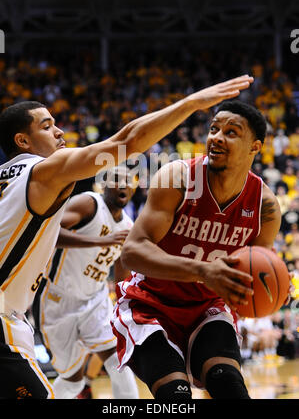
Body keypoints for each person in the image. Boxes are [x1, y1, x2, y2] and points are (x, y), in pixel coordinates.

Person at [0, 74, 254, 398]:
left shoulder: (9, 181)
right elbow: (127, 142)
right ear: (23, 141)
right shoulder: (46, 172)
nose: (59, 131)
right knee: (73, 378)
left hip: (69, 303)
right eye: (47, 126)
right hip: (22, 311)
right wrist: (192, 103)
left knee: (106, 364)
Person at [111, 100, 284, 400]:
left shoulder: (265, 207)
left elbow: (252, 276)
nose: (216, 136)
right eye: (214, 128)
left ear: (254, 148)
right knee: (175, 397)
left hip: (208, 308)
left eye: (231, 132)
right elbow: (133, 252)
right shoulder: (178, 177)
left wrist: (266, 293)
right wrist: (204, 271)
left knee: (230, 386)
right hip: (150, 303)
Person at [33, 166, 139, 399]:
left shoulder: (129, 227)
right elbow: (48, 233)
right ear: (104, 185)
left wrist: (127, 311)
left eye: (128, 181)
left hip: (96, 299)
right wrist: (100, 241)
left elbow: (123, 276)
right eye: (116, 179)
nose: (123, 184)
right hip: (58, 300)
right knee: (72, 383)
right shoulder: (89, 204)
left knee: (120, 362)